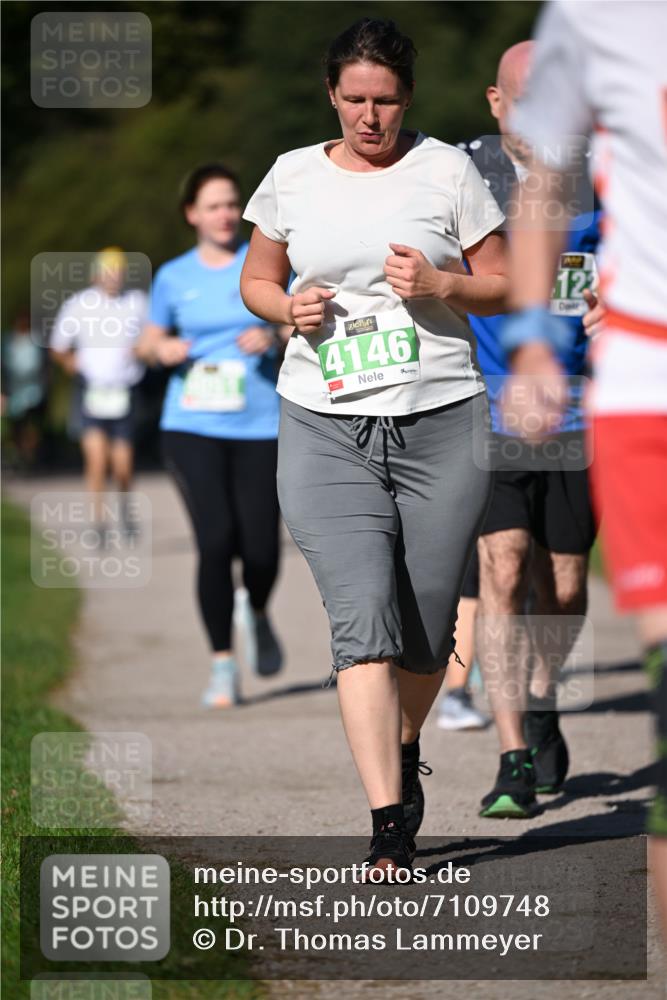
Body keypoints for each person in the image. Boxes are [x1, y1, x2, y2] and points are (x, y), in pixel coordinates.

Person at [240, 17, 508, 877]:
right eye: (354, 99)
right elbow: (256, 279)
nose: (369, 117)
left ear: (407, 99)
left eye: (384, 101)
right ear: (331, 95)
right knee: (364, 628)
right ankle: (388, 821)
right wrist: (286, 311)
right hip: (323, 422)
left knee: (426, 636)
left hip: (439, 419)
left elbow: (503, 285)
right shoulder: (289, 176)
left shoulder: (449, 170)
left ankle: (399, 743)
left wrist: (443, 285)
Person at [500, 0, 667, 938]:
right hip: (643, 378)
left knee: (566, 583)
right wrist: (530, 339)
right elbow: (544, 183)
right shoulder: (593, 16)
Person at [442, 42, 603, 818]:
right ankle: (510, 754)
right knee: (501, 571)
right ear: (496, 102)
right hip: (488, 408)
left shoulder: (605, 177)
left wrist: (620, 305)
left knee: (563, 585)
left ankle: (542, 701)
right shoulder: (456, 178)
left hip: (578, 412)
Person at [137, 163, 284, 709]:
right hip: (191, 425)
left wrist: (272, 334)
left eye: (231, 204)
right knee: (216, 540)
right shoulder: (174, 277)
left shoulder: (265, 262)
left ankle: (260, 611)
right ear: (192, 215)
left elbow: (297, 321)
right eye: (214, 206)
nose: (225, 214)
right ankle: (223, 665)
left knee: (263, 549)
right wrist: (162, 349)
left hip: (261, 424)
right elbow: (146, 342)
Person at [50, 248, 147, 543]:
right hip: (90, 391)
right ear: (95, 274)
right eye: (107, 271)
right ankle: (99, 522)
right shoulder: (79, 304)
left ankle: (125, 506)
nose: (113, 277)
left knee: (122, 466)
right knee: (95, 460)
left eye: (117, 271)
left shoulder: (137, 303)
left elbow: (152, 337)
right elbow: (58, 345)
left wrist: (142, 349)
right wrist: (71, 363)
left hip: (124, 391)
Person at [2, 311, 47, 470]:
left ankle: (30, 455)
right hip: (14, 392)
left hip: (34, 392)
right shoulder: (7, 341)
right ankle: (20, 456)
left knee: (31, 426)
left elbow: (44, 368)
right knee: (16, 428)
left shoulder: (36, 342)